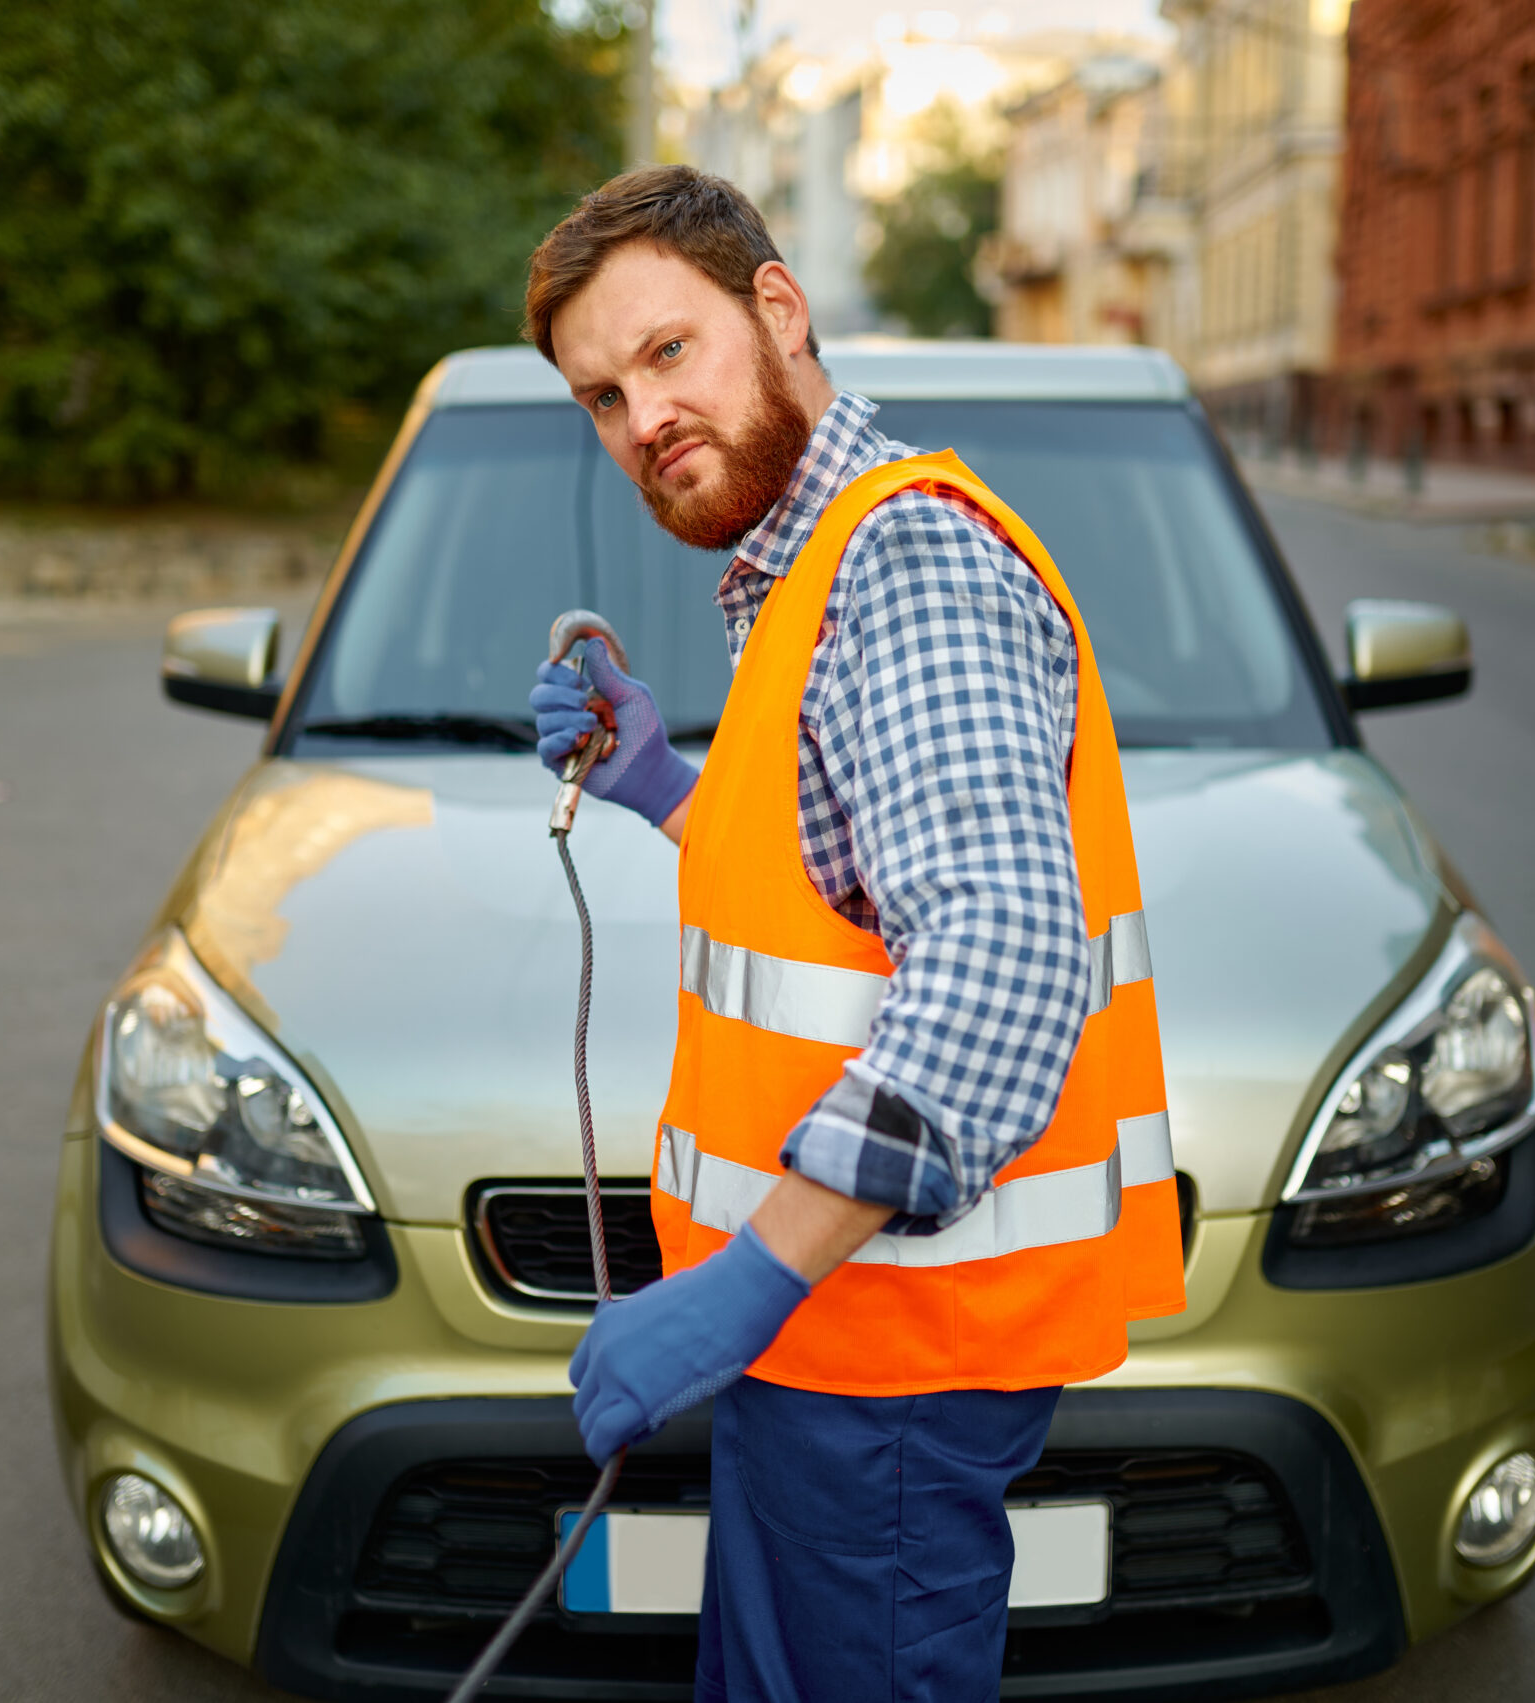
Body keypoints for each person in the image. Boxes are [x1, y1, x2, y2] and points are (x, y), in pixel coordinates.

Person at [524, 166, 1183, 1703]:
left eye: (668, 354)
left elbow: (1003, 968)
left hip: (888, 1365)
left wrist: (750, 1278)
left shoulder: (906, 564)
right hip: (834, 1354)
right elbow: (848, 901)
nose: (643, 421)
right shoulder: (801, 574)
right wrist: (661, 790)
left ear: (779, 306)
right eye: (604, 398)